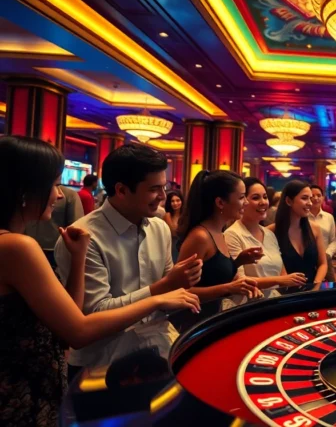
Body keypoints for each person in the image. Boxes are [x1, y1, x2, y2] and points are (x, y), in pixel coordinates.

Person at [0, 137, 199, 427]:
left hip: (137, 356)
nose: (60, 195)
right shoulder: (18, 247)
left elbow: (66, 320)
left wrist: (78, 259)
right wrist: (157, 296)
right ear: (24, 191)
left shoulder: (158, 226)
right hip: (30, 384)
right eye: (55, 184)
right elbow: (79, 329)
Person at [54, 143, 205, 374]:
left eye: (163, 188)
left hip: (158, 352)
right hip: (101, 365)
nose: (163, 197)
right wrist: (162, 289)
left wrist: (182, 282)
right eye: (155, 189)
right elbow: (92, 315)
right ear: (122, 190)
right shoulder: (84, 237)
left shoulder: (159, 228)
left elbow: (170, 295)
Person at [177, 170, 264, 311]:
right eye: (242, 197)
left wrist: (239, 261)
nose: (246, 203)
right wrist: (228, 288)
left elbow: (213, 275)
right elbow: (180, 292)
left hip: (213, 316)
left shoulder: (220, 231)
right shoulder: (200, 237)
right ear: (220, 202)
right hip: (194, 323)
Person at [224, 177, 306, 295]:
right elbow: (240, 280)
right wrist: (279, 280)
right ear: (243, 201)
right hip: (247, 305)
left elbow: (283, 273)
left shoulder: (269, 234)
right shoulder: (232, 234)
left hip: (274, 301)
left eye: (265, 197)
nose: (263, 202)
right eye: (256, 198)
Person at [268, 181, 327, 285]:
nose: (310, 202)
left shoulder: (315, 229)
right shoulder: (271, 231)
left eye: (310, 198)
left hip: (312, 289)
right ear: (288, 201)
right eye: (304, 198)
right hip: (284, 292)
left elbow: (323, 264)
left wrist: (316, 284)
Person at [25, 185, 84, 270]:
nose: (60, 194)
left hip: (32, 249)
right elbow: (76, 227)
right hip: (54, 251)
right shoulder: (69, 195)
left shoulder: (27, 192)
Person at [308, 185, 336, 282]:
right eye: (312, 195)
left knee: (331, 287)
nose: (316, 198)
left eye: (319, 195)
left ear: (323, 198)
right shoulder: (302, 218)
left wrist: (327, 254)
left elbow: (334, 240)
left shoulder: (329, 217)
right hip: (308, 259)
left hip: (326, 258)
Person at [163, 191, 183, 262]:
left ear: (182, 201)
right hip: (172, 245)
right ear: (169, 203)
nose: (175, 203)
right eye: (172, 201)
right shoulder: (167, 215)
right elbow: (173, 233)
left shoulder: (185, 215)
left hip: (184, 245)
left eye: (178, 200)